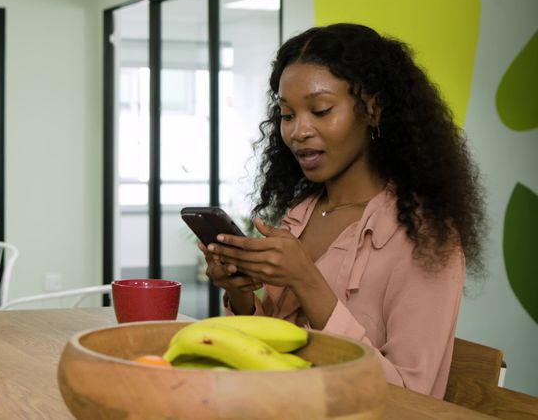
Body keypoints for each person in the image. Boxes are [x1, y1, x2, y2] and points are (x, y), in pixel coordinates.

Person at [202, 23, 485, 398]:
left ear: (374, 109)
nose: (298, 131)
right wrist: (239, 293)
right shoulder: (300, 215)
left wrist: (306, 281)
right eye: (287, 115)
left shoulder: (426, 236)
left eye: (320, 110)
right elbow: (271, 352)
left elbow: (412, 394)